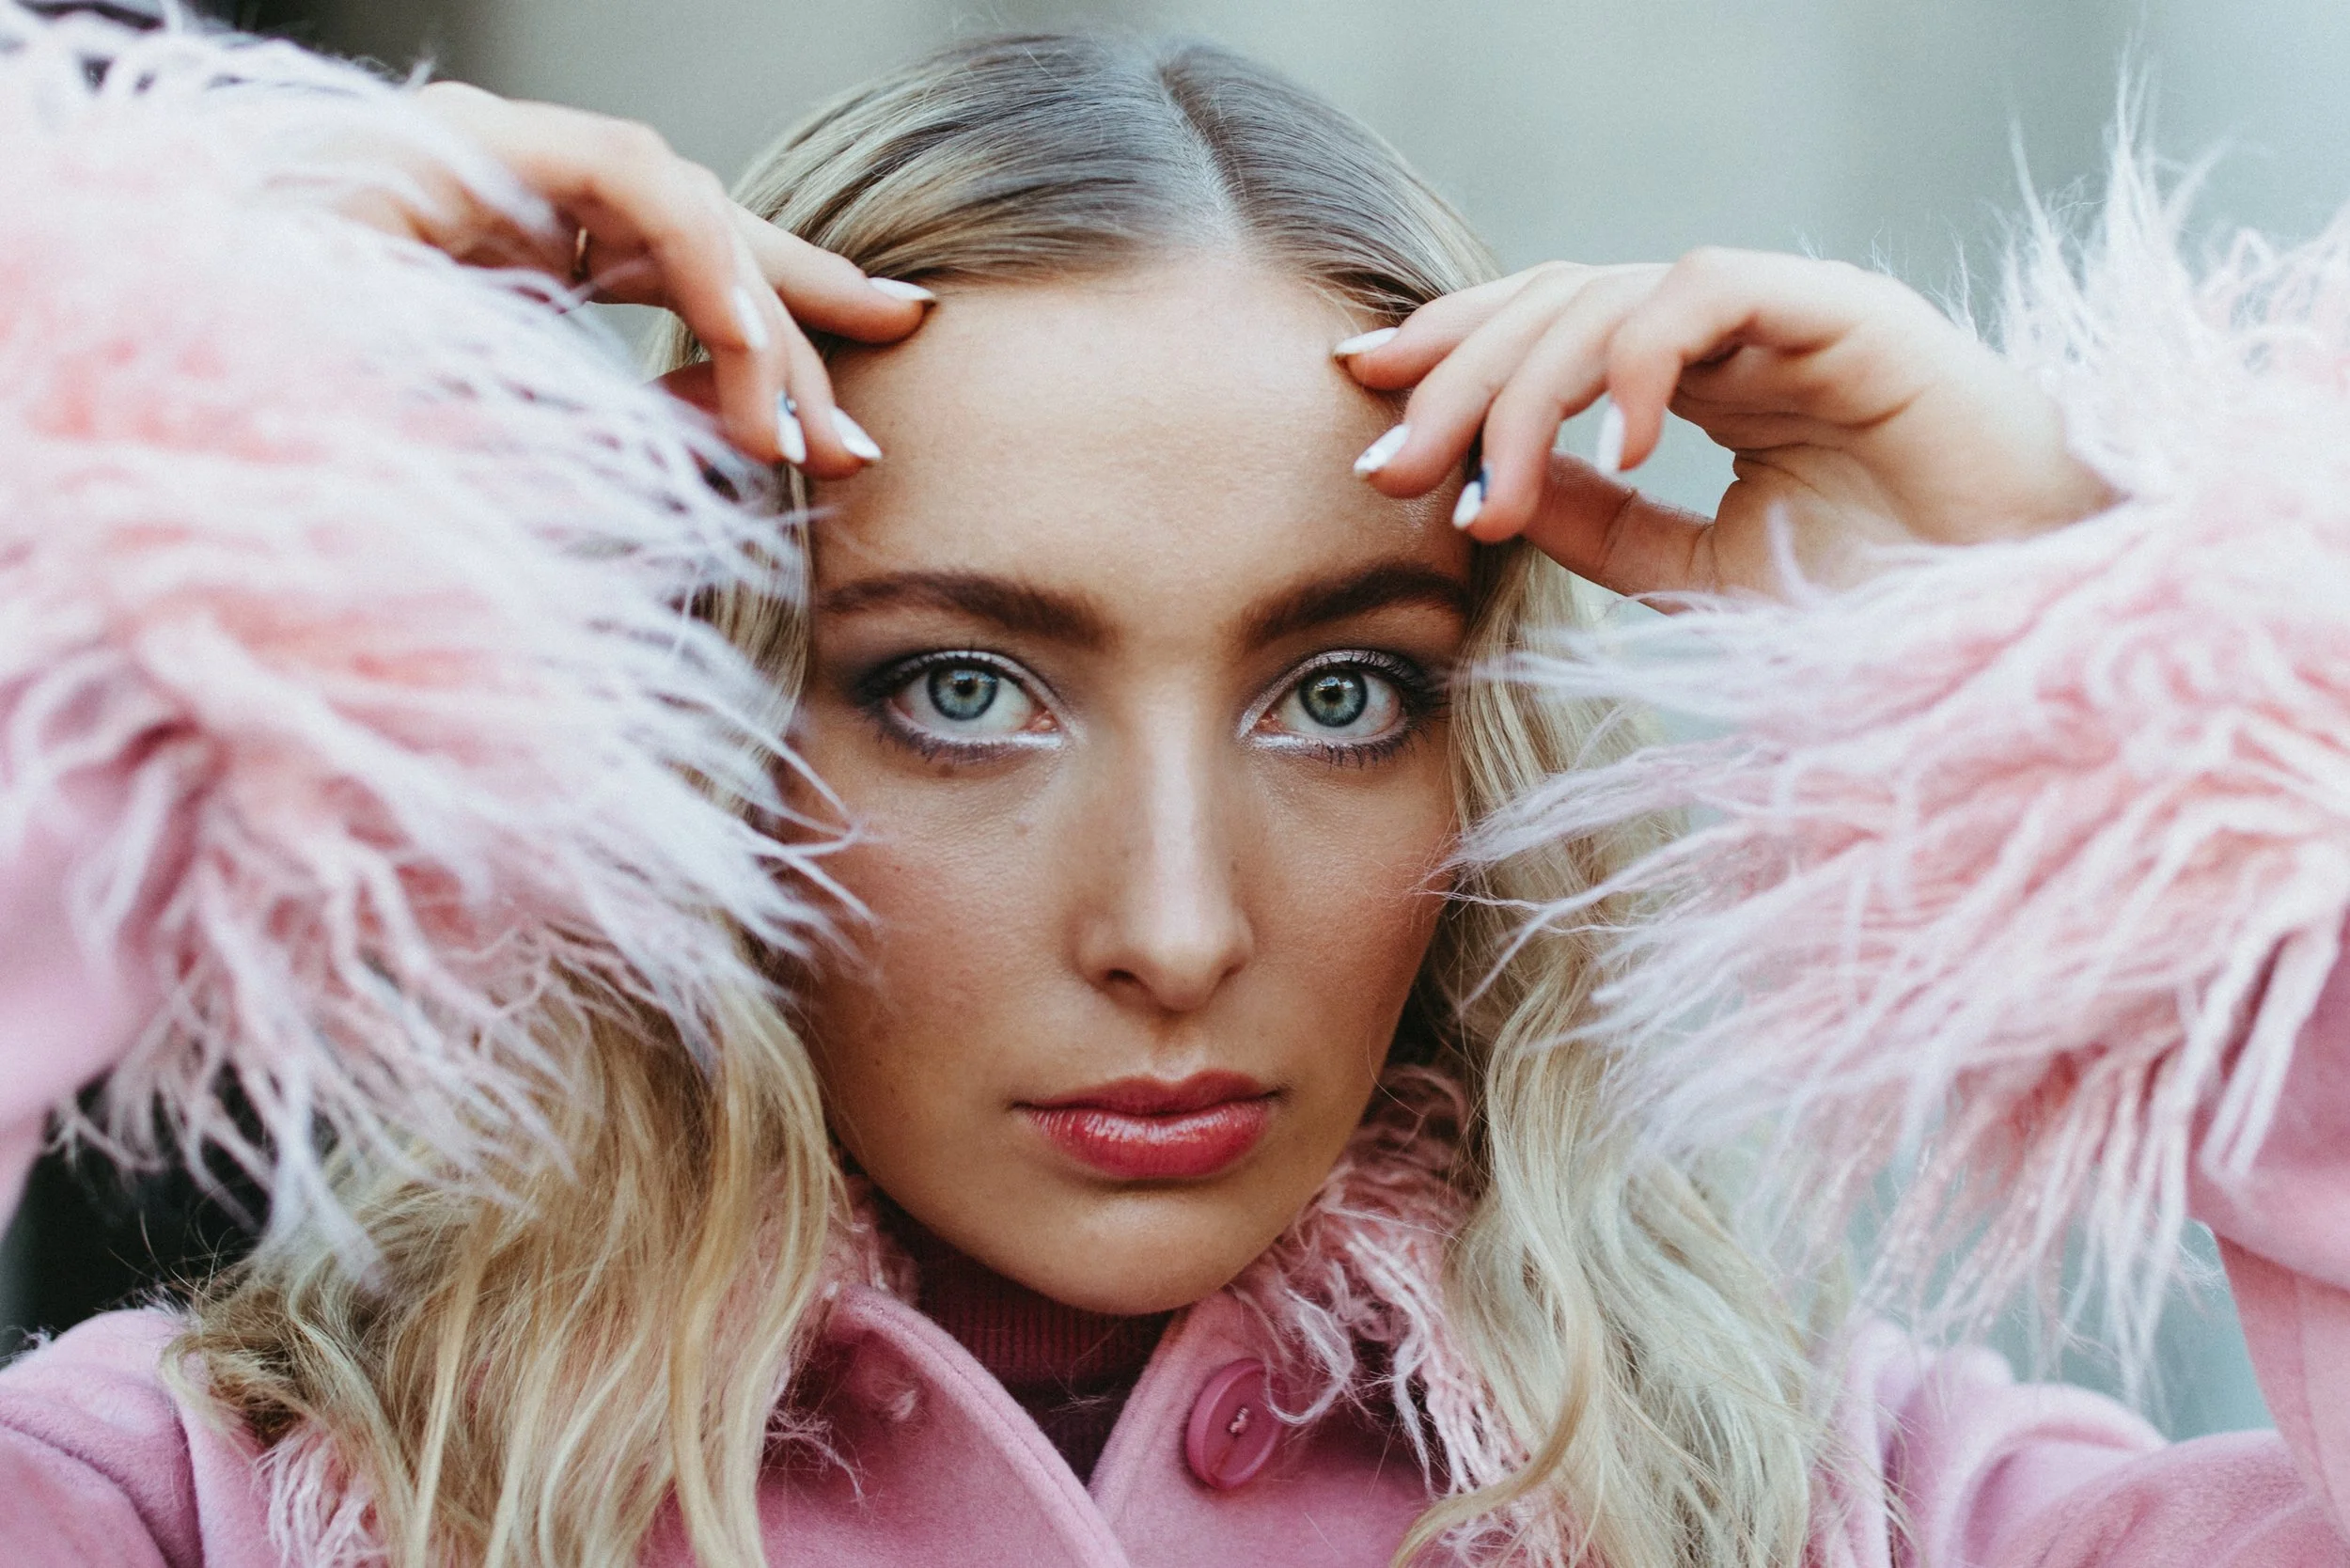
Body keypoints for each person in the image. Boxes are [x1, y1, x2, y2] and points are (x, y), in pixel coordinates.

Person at [0, 7, 2342, 1568]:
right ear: (692, 724)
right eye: (958, 691)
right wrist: (121, 497)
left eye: (1339, 695)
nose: (1175, 925)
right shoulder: (223, 1500)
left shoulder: (1839, 1505)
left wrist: (2101, 665)